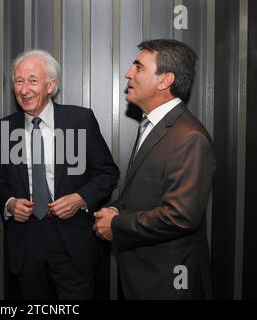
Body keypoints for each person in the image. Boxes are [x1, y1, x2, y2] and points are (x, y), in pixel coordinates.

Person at [0, 49, 119, 299]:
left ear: (51, 85)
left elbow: (107, 172)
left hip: (73, 242)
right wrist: (10, 203)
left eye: (33, 81)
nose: (24, 90)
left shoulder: (80, 119)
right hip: (25, 243)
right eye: (19, 81)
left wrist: (79, 198)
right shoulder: (3, 129)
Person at [93, 39, 216, 299]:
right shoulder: (153, 125)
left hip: (167, 283)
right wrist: (117, 207)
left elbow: (180, 217)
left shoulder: (188, 137)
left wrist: (117, 225)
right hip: (145, 277)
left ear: (165, 80)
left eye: (138, 67)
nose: (128, 73)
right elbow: (148, 193)